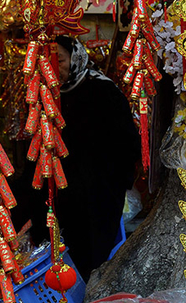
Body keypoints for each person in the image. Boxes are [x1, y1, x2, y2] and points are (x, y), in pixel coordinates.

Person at [19, 35, 141, 283]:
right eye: (48, 62)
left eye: (60, 60)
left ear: (75, 57)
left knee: (90, 250)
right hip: (57, 189)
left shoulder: (103, 90)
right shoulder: (44, 94)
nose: (55, 68)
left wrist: (117, 181)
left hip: (96, 189)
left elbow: (126, 142)